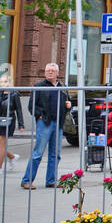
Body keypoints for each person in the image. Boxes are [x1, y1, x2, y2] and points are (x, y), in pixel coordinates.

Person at [23, 62, 71, 190]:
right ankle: (26, 180)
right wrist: (39, 115)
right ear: (45, 73)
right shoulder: (39, 86)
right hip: (44, 123)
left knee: (55, 154)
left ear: (57, 73)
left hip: (58, 124)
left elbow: (67, 104)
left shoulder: (63, 88)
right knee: (38, 153)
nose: (50, 72)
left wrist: (68, 106)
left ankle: (51, 180)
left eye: (52, 71)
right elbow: (31, 106)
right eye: (48, 70)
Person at [0, 73, 24, 178]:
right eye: (1, 82)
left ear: (10, 82)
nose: (3, 84)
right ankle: (12, 157)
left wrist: (21, 124)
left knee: (0, 143)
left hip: (8, 121)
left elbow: (19, 110)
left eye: (5, 81)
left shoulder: (14, 94)